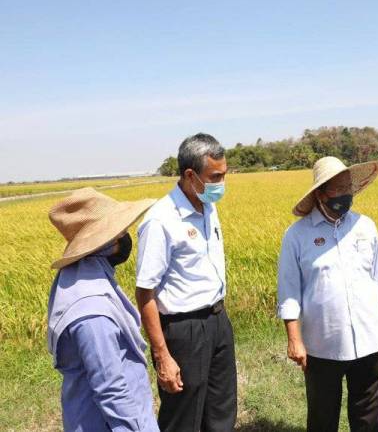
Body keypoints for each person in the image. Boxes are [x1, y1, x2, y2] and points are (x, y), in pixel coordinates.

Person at [277, 156, 378, 432]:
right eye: (338, 189)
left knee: (368, 414)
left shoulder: (365, 226)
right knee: (322, 416)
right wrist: (294, 340)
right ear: (320, 193)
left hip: (369, 339)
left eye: (349, 188)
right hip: (322, 345)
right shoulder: (296, 236)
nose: (346, 195)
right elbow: (289, 293)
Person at [135, 133, 236, 432]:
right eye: (215, 177)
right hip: (183, 330)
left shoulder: (208, 206)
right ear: (190, 175)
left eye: (224, 175)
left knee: (220, 410)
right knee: (184, 417)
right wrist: (162, 354)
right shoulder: (160, 221)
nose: (221, 184)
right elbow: (145, 293)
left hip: (218, 320)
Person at [47, 187, 158, 432]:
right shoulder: (92, 310)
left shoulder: (78, 280)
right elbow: (111, 389)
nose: (125, 237)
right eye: (119, 233)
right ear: (103, 244)